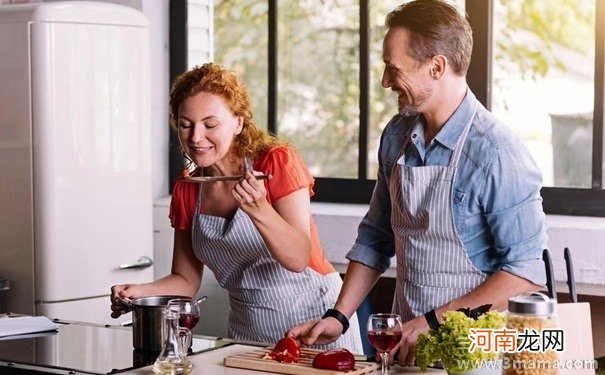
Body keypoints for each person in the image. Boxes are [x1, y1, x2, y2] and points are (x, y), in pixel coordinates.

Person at [287, 0, 547, 367]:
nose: (385, 81)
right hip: (404, 349)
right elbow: (375, 238)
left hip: (474, 356)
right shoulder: (396, 135)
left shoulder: (496, 153)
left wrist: (433, 321)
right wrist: (340, 316)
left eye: (394, 69)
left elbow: (525, 273)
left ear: (436, 67)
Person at [110, 62, 362, 352]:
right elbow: (186, 280)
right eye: (185, 124)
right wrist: (138, 293)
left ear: (238, 122)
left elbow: (298, 257)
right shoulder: (188, 189)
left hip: (315, 327)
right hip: (247, 333)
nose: (196, 137)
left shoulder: (275, 162)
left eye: (210, 124)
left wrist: (259, 208)